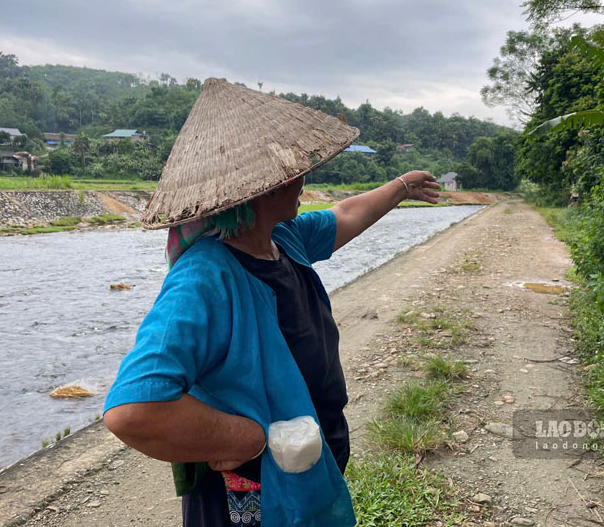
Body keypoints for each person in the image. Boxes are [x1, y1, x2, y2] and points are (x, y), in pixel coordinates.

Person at [102, 78, 440, 527]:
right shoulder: (205, 278)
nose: (302, 178)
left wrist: (401, 187)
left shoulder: (283, 237)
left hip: (305, 468)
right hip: (251, 493)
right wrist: (247, 440)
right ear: (259, 189)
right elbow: (134, 410)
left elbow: (344, 215)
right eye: (290, 171)